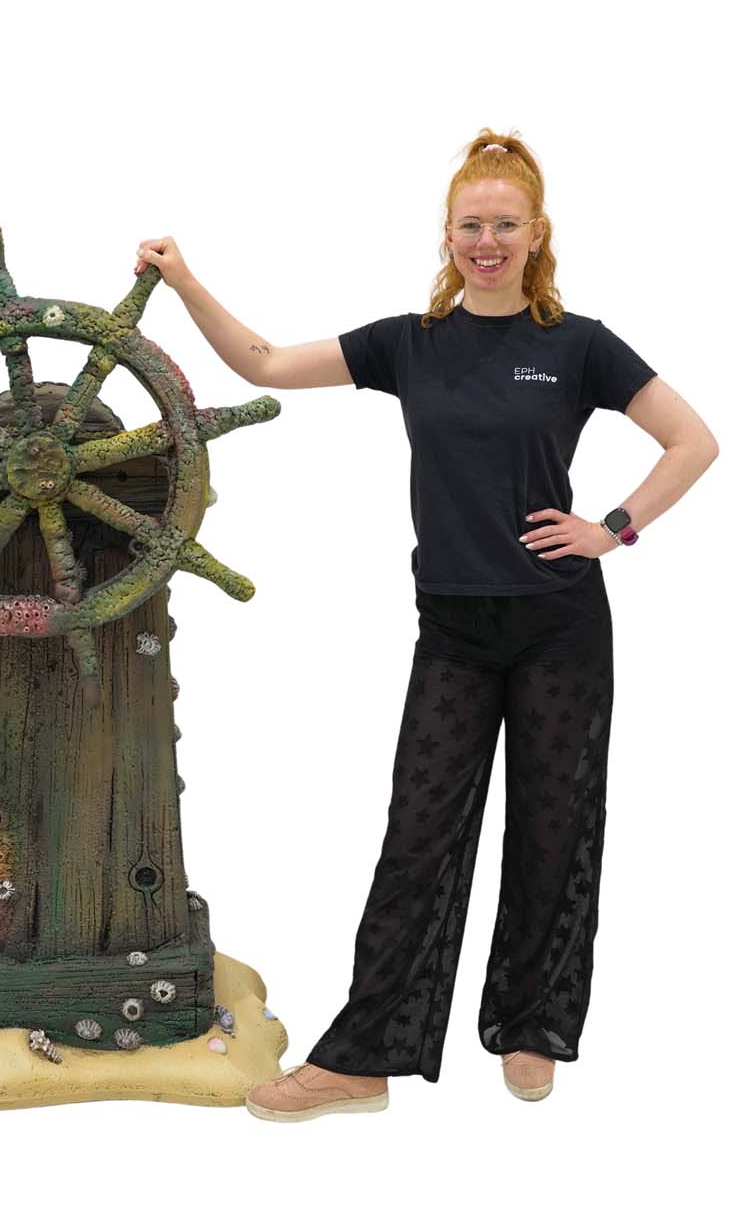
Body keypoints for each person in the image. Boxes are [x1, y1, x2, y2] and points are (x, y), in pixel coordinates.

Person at [134, 129, 718, 1120]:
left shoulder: (579, 345)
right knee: (418, 838)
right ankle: (363, 1057)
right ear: (447, 235)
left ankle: (532, 1026)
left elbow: (692, 440)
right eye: (470, 225)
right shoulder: (410, 342)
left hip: (559, 625)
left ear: (536, 235)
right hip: (452, 629)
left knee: (554, 828)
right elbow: (265, 361)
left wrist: (611, 529)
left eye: (505, 225)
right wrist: (186, 280)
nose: (486, 242)